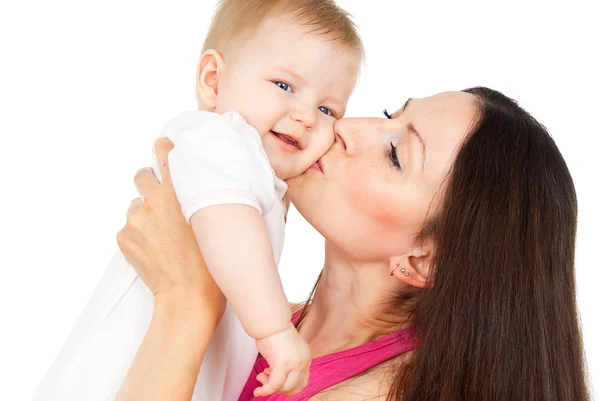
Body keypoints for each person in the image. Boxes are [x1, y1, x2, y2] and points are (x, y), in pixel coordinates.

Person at [115, 87, 590, 401]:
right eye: (389, 115)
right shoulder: (273, 323)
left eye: (395, 154)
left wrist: (186, 302)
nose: (346, 126)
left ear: (421, 260)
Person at [32, 1, 363, 400]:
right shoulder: (221, 139)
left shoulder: (258, 169)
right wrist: (275, 330)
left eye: (327, 108)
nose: (308, 116)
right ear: (213, 80)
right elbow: (228, 224)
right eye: (284, 86)